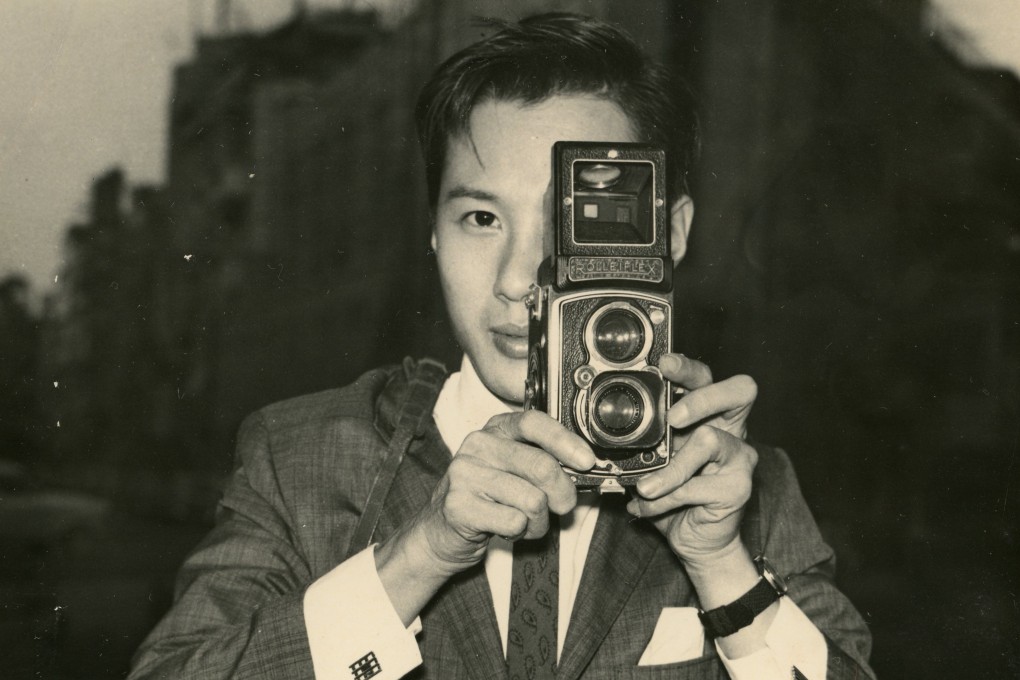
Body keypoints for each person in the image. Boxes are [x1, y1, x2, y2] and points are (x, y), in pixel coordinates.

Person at [129, 13, 873, 680]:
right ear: (432, 232)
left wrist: (721, 570)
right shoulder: (300, 459)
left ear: (669, 236)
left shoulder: (744, 490)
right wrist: (418, 557)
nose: (520, 279)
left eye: (574, 223)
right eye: (481, 220)